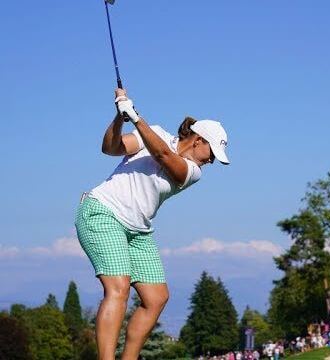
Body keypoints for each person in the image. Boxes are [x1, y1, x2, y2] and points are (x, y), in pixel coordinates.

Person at [75, 88, 230, 359]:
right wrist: (119, 117)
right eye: (212, 152)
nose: (211, 160)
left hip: (137, 230)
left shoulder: (193, 172)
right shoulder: (154, 133)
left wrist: (135, 116)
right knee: (118, 288)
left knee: (156, 297)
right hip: (102, 213)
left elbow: (164, 157)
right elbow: (110, 148)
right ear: (198, 140)